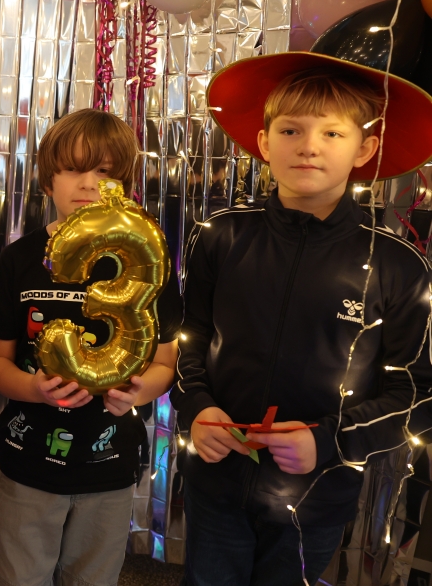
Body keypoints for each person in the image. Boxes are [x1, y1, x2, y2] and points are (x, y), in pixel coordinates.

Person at [173, 52, 432, 585]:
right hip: (215, 479)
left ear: (365, 149)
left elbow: (418, 391)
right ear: (265, 142)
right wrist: (197, 408)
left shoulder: (398, 264)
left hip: (316, 495)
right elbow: (187, 340)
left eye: (332, 133)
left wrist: (331, 440)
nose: (309, 146)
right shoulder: (221, 235)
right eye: (291, 130)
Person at [0, 109, 182, 586]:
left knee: (92, 578)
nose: (88, 183)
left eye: (105, 171)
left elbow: (165, 360)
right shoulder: (19, 259)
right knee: (20, 577)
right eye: (73, 169)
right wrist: (33, 388)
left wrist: (140, 391)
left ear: (124, 184)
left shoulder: (146, 261)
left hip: (109, 464)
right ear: (49, 179)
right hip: (28, 461)